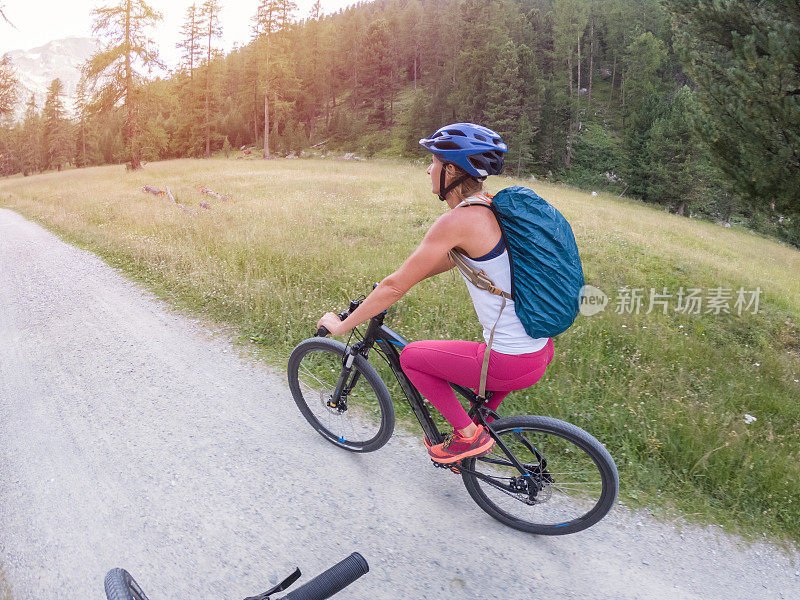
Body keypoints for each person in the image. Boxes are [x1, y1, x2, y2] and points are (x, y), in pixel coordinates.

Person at [316, 123, 555, 464]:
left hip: (507, 360)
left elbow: (395, 286)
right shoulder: (493, 209)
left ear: (453, 170)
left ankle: (467, 438)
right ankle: (472, 451)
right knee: (478, 411)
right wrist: (401, 280)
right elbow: (454, 262)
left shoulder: (458, 220)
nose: (429, 169)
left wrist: (341, 325)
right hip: (538, 351)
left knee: (412, 358)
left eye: (434, 161)